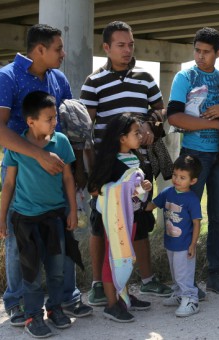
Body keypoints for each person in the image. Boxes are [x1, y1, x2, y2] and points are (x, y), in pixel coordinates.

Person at [0, 23, 92, 326]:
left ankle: (64, 298)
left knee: (63, 230)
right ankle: (17, 302)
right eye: (58, 48)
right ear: (40, 50)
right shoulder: (6, 77)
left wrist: (76, 166)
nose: (63, 54)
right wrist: (39, 155)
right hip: (21, 170)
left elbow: (68, 123)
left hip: (58, 169)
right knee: (20, 239)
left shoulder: (57, 78)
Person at [80, 21, 172, 306]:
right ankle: (99, 285)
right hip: (107, 166)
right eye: (120, 45)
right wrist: (91, 169)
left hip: (138, 163)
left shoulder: (145, 78)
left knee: (139, 221)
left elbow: (161, 111)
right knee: (101, 225)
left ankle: (146, 280)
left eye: (130, 44)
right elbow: (85, 126)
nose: (127, 49)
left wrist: (149, 123)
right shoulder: (93, 82)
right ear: (106, 48)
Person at [0, 91, 78, 338]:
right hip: (26, 220)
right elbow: (8, 184)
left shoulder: (61, 142)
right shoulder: (16, 147)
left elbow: (68, 177)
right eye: (49, 118)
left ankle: (54, 308)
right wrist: (2, 219)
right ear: (31, 121)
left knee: (56, 270)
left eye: (55, 118)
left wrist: (72, 210)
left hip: (55, 218)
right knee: (31, 272)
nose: (54, 123)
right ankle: (33, 315)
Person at [167, 27, 219, 297]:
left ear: (217, 52)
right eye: (197, 50)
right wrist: (216, 123)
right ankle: (185, 281)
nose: (200, 56)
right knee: (185, 216)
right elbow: (174, 117)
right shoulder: (184, 77)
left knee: (218, 218)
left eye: (206, 52)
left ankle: (215, 277)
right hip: (193, 157)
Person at [87, 113, 153, 322]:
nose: (141, 135)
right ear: (121, 137)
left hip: (130, 217)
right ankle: (111, 304)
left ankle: (122, 295)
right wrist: (126, 189)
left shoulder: (135, 157)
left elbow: (134, 186)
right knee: (113, 258)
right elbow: (95, 189)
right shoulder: (110, 161)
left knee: (125, 256)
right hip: (114, 221)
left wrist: (143, 187)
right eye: (136, 132)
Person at [146, 156, 203, 316]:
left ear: (192, 181)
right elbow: (151, 205)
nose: (177, 180)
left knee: (183, 273)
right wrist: (136, 198)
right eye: (175, 175)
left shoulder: (191, 199)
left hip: (185, 245)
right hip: (170, 243)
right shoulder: (167, 192)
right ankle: (179, 295)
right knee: (175, 272)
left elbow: (197, 223)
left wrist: (193, 244)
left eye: (182, 177)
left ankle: (191, 299)